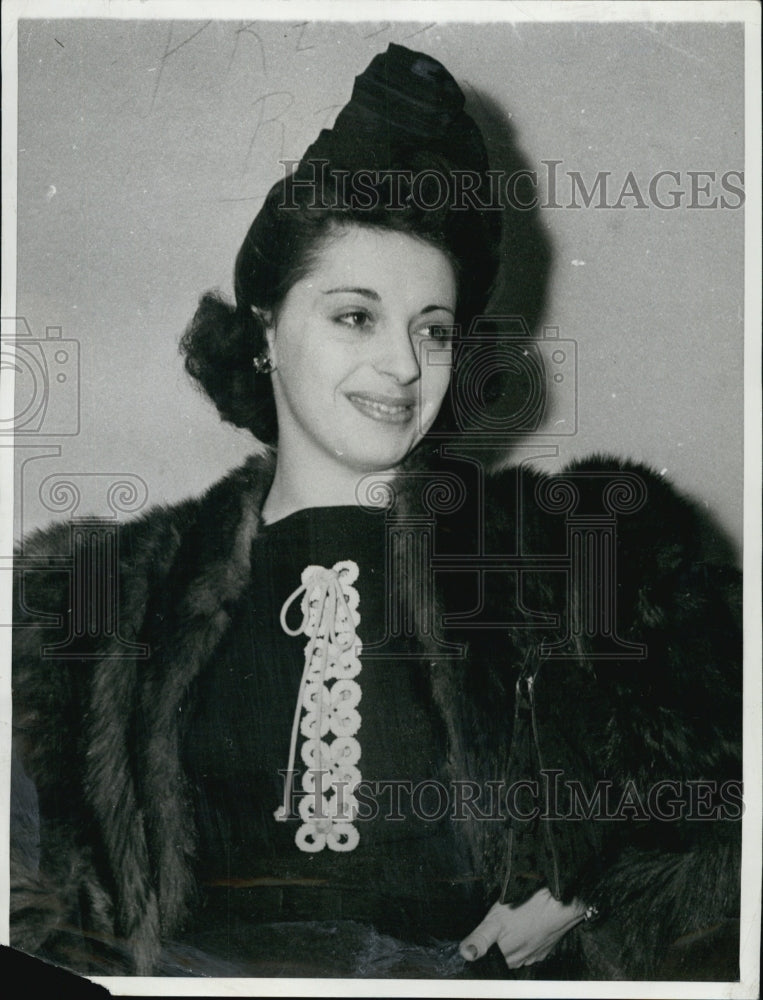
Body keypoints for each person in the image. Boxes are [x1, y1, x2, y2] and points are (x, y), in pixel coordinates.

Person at [10, 43, 741, 981]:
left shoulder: (582, 552)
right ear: (266, 329)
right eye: (356, 315)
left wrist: (593, 888)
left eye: (432, 329)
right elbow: (42, 904)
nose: (403, 363)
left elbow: (725, 802)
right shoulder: (100, 599)